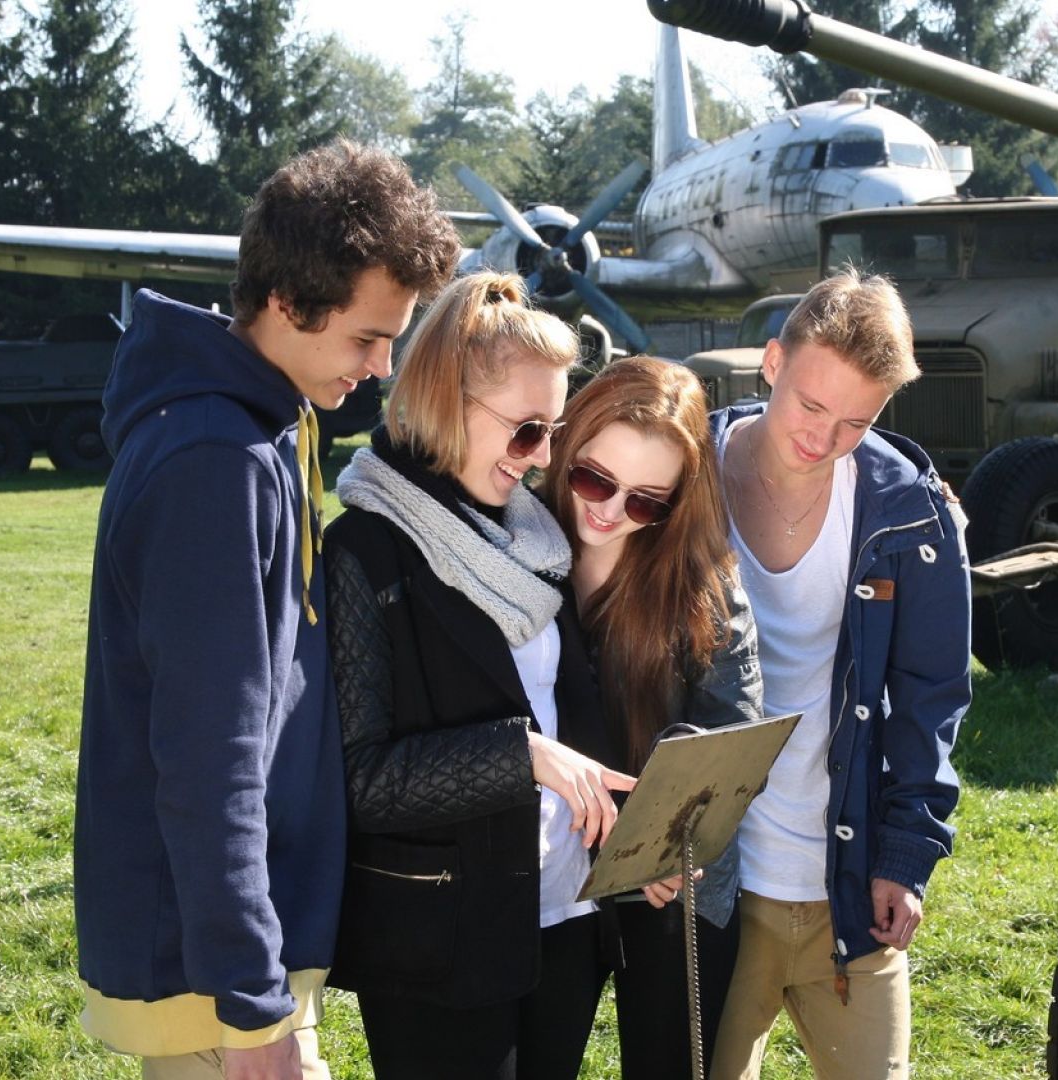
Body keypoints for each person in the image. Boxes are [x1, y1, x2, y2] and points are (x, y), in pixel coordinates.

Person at [75, 140, 458, 1080]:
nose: (380, 366)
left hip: (239, 950)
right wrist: (254, 1010)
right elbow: (211, 759)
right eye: (369, 338)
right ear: (286, 304)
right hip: (216, 979)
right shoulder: (216, 462)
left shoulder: (261, 422)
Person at [324, 271, 634, 1080]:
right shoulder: (366, 550)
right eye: (526, 430)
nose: (540, 462)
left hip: (565, 913)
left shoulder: (538, 539)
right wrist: (522, 756)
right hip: (440, 940)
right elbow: (362, 780)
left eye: (553, 433)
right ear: (443, 399)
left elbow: (575, 709)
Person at [708, 269, 972, 1079]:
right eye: (811, 407)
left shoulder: (910, 511)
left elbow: (932, 698)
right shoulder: (685, 472)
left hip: (849, 883)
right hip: (716, 885)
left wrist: (906, 854)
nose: (822, 441)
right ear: (771, 362)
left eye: (855, 422)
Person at [538, 358, 764, 1078]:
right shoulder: (513, 545)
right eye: (594, 478)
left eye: (645, 501)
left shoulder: (702, 579)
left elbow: (735, 731)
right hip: (550, 873)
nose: (608, 511)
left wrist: (660, 839)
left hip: (676, 878)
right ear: (564, 444)